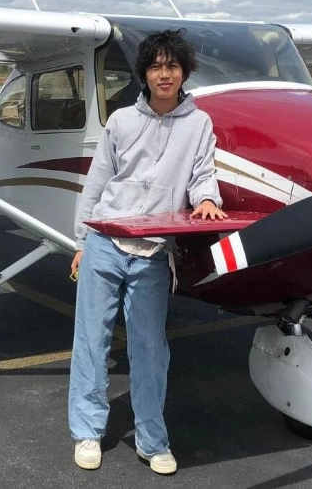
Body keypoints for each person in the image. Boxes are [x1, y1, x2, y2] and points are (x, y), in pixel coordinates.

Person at [68, 28, 226, 475]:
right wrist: (82, 243)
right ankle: (87, 432)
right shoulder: (120, 121)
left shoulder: (199, 124)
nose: (164, 74)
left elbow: (202, 172)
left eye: (172, 66)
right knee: (91, 343)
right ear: (144, 73)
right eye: (156, 66)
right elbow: (97, 185)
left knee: (150, 349)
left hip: (154, 251)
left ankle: (152, 440)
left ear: (184, 72)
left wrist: (207, 200)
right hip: (105, 242)